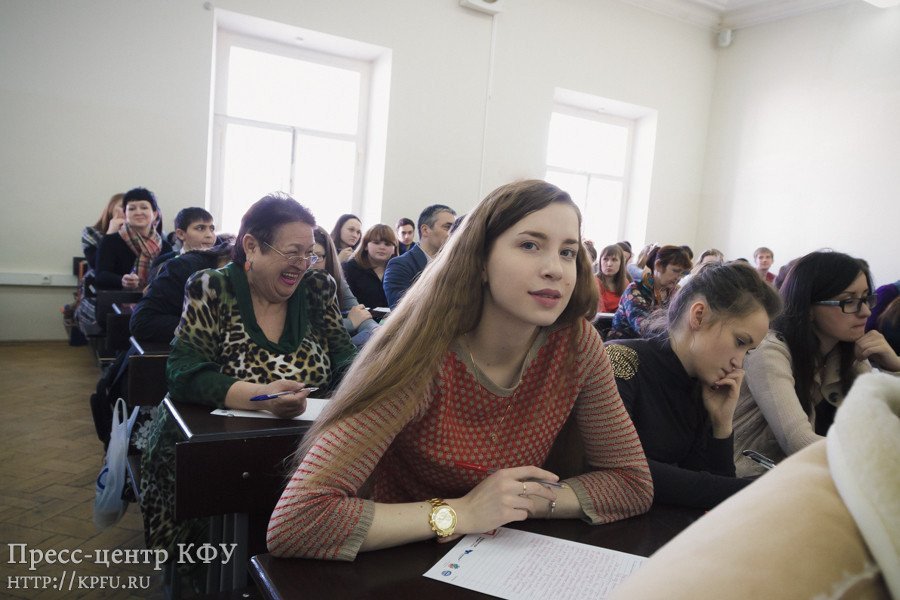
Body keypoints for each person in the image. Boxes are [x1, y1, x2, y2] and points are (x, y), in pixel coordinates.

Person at [266, 179, 653, 561]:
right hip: (398, 560)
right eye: (530, 245)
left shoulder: (577, 344)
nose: (555, 269)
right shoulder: (421, 353)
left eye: (568, 252)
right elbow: (299, 521)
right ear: (480, 261)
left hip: (503, 556)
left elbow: (632, 483)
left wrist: (520, 501)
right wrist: (463, 512)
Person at [140, 193, 357, 577]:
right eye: (293, 252)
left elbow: (344, 361)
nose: (303, 264)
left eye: (309, 253)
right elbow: (184, 374)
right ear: (251, 246)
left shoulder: (317, 288)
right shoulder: (212, 287)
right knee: (223, 553)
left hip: (300, 447)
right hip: (208, 451)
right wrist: (262, 397)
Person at [606, 262, 781, 509]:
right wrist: (757, 490)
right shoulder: (621, 361)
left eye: (748, 351)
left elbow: (714, 499)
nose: (738, 362)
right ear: (698, 315)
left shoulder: (699, 384)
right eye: (739, 341)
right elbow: (623, 469)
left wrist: (722, 425)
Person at [733, 251, 900, 476]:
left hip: (808, 477)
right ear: (809, 308)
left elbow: (885, 421)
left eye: (865, 298)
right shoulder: (769, 351)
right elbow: (799, 442)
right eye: (849, 301)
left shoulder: (845, 352)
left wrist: (895, 367)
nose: (866, 312)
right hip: (753, 481)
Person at [93, 187, 172, 292]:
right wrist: (122, 280)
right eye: (132, 208)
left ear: (155, 214)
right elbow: (100, 276)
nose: (138, 212)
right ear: (125, 214)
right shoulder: (111, 241)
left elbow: (169, 280)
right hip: (116, 302)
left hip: (154, 303)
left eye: (144, 207)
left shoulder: (165, 247)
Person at [311, 226, 379, 347]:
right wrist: (350, 322)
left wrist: (377, 332)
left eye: (316, 257)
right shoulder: (290, 282)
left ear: (328, 259)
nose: (307, 263)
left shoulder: (335, 279)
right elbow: (309, 331)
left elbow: (359, 313)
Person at [607, 245, 692, 340]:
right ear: (658, 265)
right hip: (623, 346)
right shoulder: (635, 290)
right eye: (675, 271)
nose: (679, 277)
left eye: (682, 273)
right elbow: (643, 327)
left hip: (653, 345)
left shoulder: (674, 292)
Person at [383, 204, 456, 309]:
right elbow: (402, 311)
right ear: (425, 230)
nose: (454, 233)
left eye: (455, 228)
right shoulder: (400, 265)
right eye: (448, 227)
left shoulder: (453, 265)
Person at [73, 193, 125, 333]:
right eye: (122, 206)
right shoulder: (91, 233)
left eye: (129, 208)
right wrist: (111, 233)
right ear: (111, 208)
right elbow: (97, 265)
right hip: (100, 288)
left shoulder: (140, 236)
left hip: (129, 287)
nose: (127, 211)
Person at [342, 224, 397, 318]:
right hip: (361, 325)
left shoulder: (399, 270)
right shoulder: (349, 268)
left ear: (394, 249)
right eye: (376, 242)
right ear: (366, 246)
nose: (382, 247)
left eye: (387, 244)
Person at [148, 207, 217, 276]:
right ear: (181, 234)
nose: (209, 235)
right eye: (200, 228)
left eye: (212, 229)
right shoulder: (163, 263)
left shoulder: (220, 262)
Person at [597, 244, 629, 313]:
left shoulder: (625, 282)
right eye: (605, 259)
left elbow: (628, 309)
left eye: (614, 260)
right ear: (600, 262)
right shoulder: (594, 281)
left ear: (621, 263)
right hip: (599, 322)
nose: (609, 264)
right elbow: (600, 311)